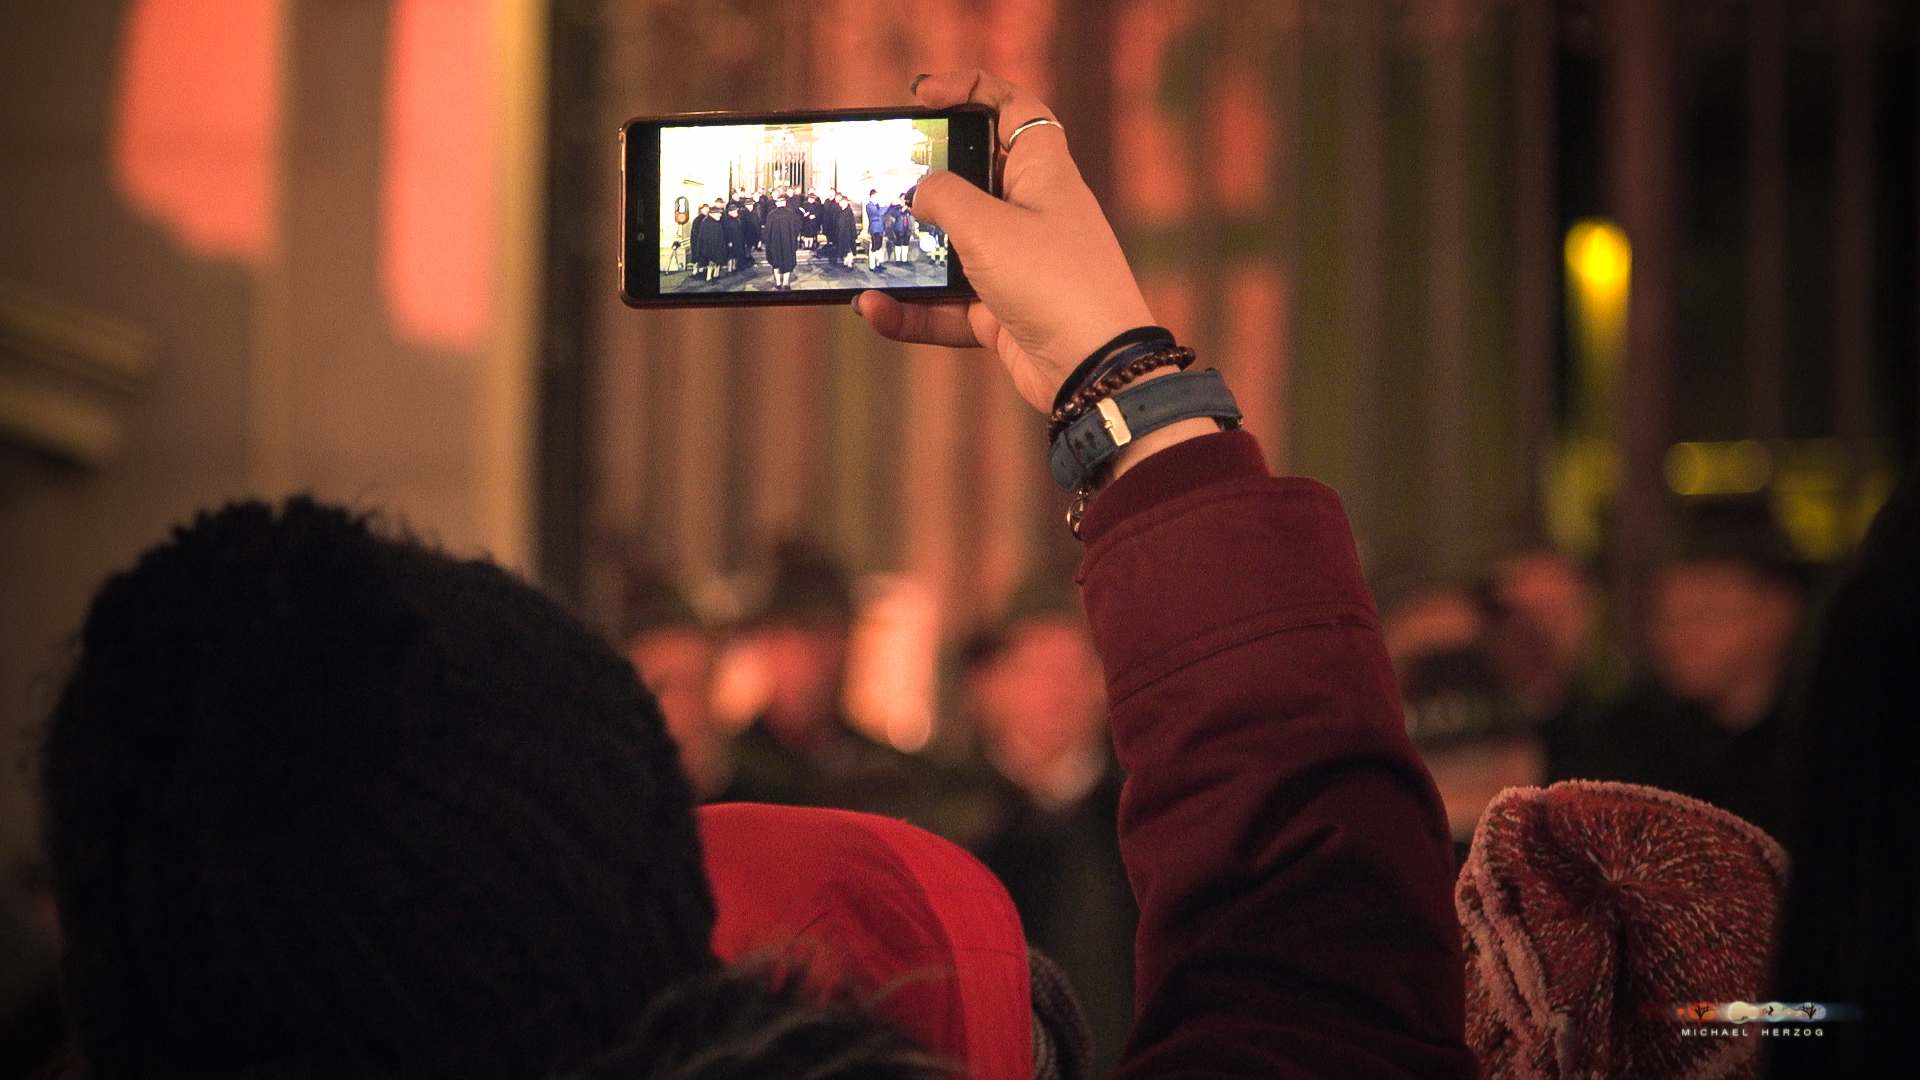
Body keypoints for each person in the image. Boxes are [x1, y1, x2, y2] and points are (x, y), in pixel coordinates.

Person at [856, 69, 1476, 1077]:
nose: (1062, 691)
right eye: (1038, 665)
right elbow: (1311, 954)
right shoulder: (952, 813)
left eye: (1076, 663)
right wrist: (1122, 376)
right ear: (984, 679)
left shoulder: (1113, 813)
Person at [761, 195, 803, 291]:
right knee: (787, 262)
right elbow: (798, 227)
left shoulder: (771, 215)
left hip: (774, 244)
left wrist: (767, 241)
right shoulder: (791, 214)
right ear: (785, 203)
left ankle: (778, 283)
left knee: (776, 262)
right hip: (788, 243)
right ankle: (785, 282)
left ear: (776, 204)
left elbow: (767, 231)